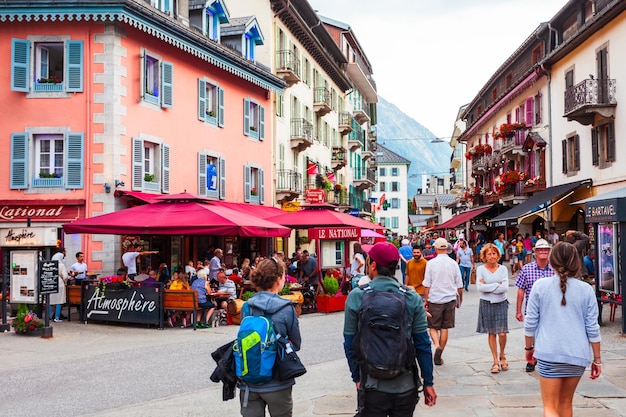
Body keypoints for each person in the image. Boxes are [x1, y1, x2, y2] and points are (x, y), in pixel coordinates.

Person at [343, 241, 437, 415]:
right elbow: (423, 344)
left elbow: (349, 342)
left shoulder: (357, 296)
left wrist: (356, 377)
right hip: (405, 384)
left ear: (373, 265)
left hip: (371, 384)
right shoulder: (411, 297)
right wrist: (428, 382)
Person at [523, 242, 601, 417]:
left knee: (550, 406)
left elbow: (530, 323)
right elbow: (592, 328)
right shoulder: (586, 290)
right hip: (577, 355)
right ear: (576, 263)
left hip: (549, 353)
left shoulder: (540, 286)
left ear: (551, 262)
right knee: (566, 403)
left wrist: (528, 348)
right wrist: (597, 359)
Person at [239, 257, 302, 417]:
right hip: (278, 382)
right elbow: (296, 343)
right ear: (279, 279)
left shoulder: (247, 307)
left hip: (249, 381)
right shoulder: (287, 308)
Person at [515, 238, 554, 372]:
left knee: (548, 335)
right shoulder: (527, 269)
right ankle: (532, 359)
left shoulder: (555, 269)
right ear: (535, 253)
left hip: (551, 309)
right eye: (540, 250)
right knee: (531, 334)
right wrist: (518, 310)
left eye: (546, 250)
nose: (543, 252)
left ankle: (545, 359)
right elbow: (521, 290)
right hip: (532, 309)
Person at [423, 238, 463, 366]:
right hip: (450, 298)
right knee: (445, 327)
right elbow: (460, 285)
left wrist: (426, 299)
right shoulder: (453, 264)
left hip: (435, 298)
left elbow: (426, 285)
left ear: (435, 249)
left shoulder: (431, 263)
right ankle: (440, 353)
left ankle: (437, 345)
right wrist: (459, 299)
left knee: (433, 326)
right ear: (447, 248)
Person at [475, 243, 509, 374]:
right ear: (485, 255)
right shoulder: (481, 269)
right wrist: (496, 285)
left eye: (494, 253)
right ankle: (495, 361)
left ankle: (502, 354)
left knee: (502, 332)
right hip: (486, 303)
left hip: (501, 302)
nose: (492, 256)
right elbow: (480, 288)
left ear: (498, 255)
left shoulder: (503, 269)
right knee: (491, 333)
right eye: (489, 253)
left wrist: (488, 285)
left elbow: (505, 288)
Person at [49, 258, 68, 322]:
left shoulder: (50, 264)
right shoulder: (61, 265)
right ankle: (56, 317)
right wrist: (65, 282)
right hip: (60, 283)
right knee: (59, 301)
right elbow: (65, 276)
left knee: (51, 300)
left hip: (51, 282)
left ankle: (49, 317)